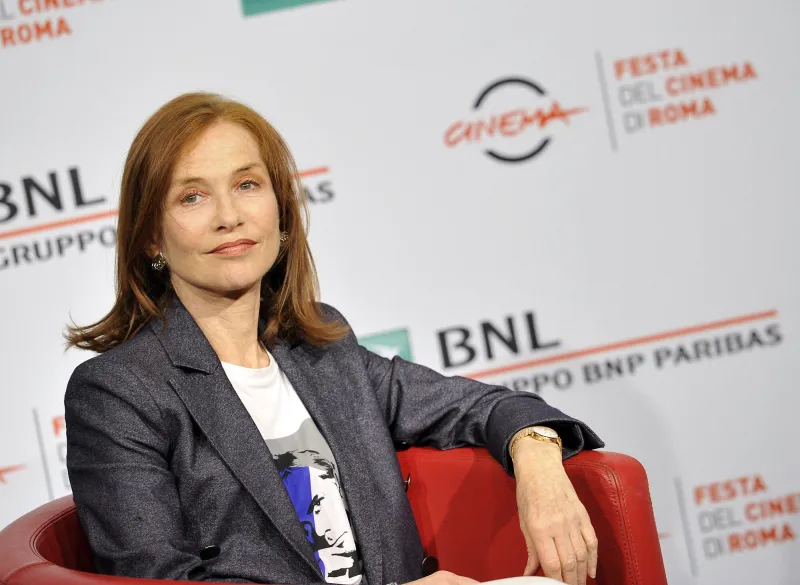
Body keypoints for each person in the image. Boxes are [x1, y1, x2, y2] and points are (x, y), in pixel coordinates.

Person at [63, 93, 604, 585]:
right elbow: (159, 578)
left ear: (281, 214)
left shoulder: (323, 349)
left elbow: (481, 407)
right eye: (192, 197)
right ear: (151, 236)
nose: (228, 216)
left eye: (247, 185)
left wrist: (538, 462)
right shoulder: (117, 394)